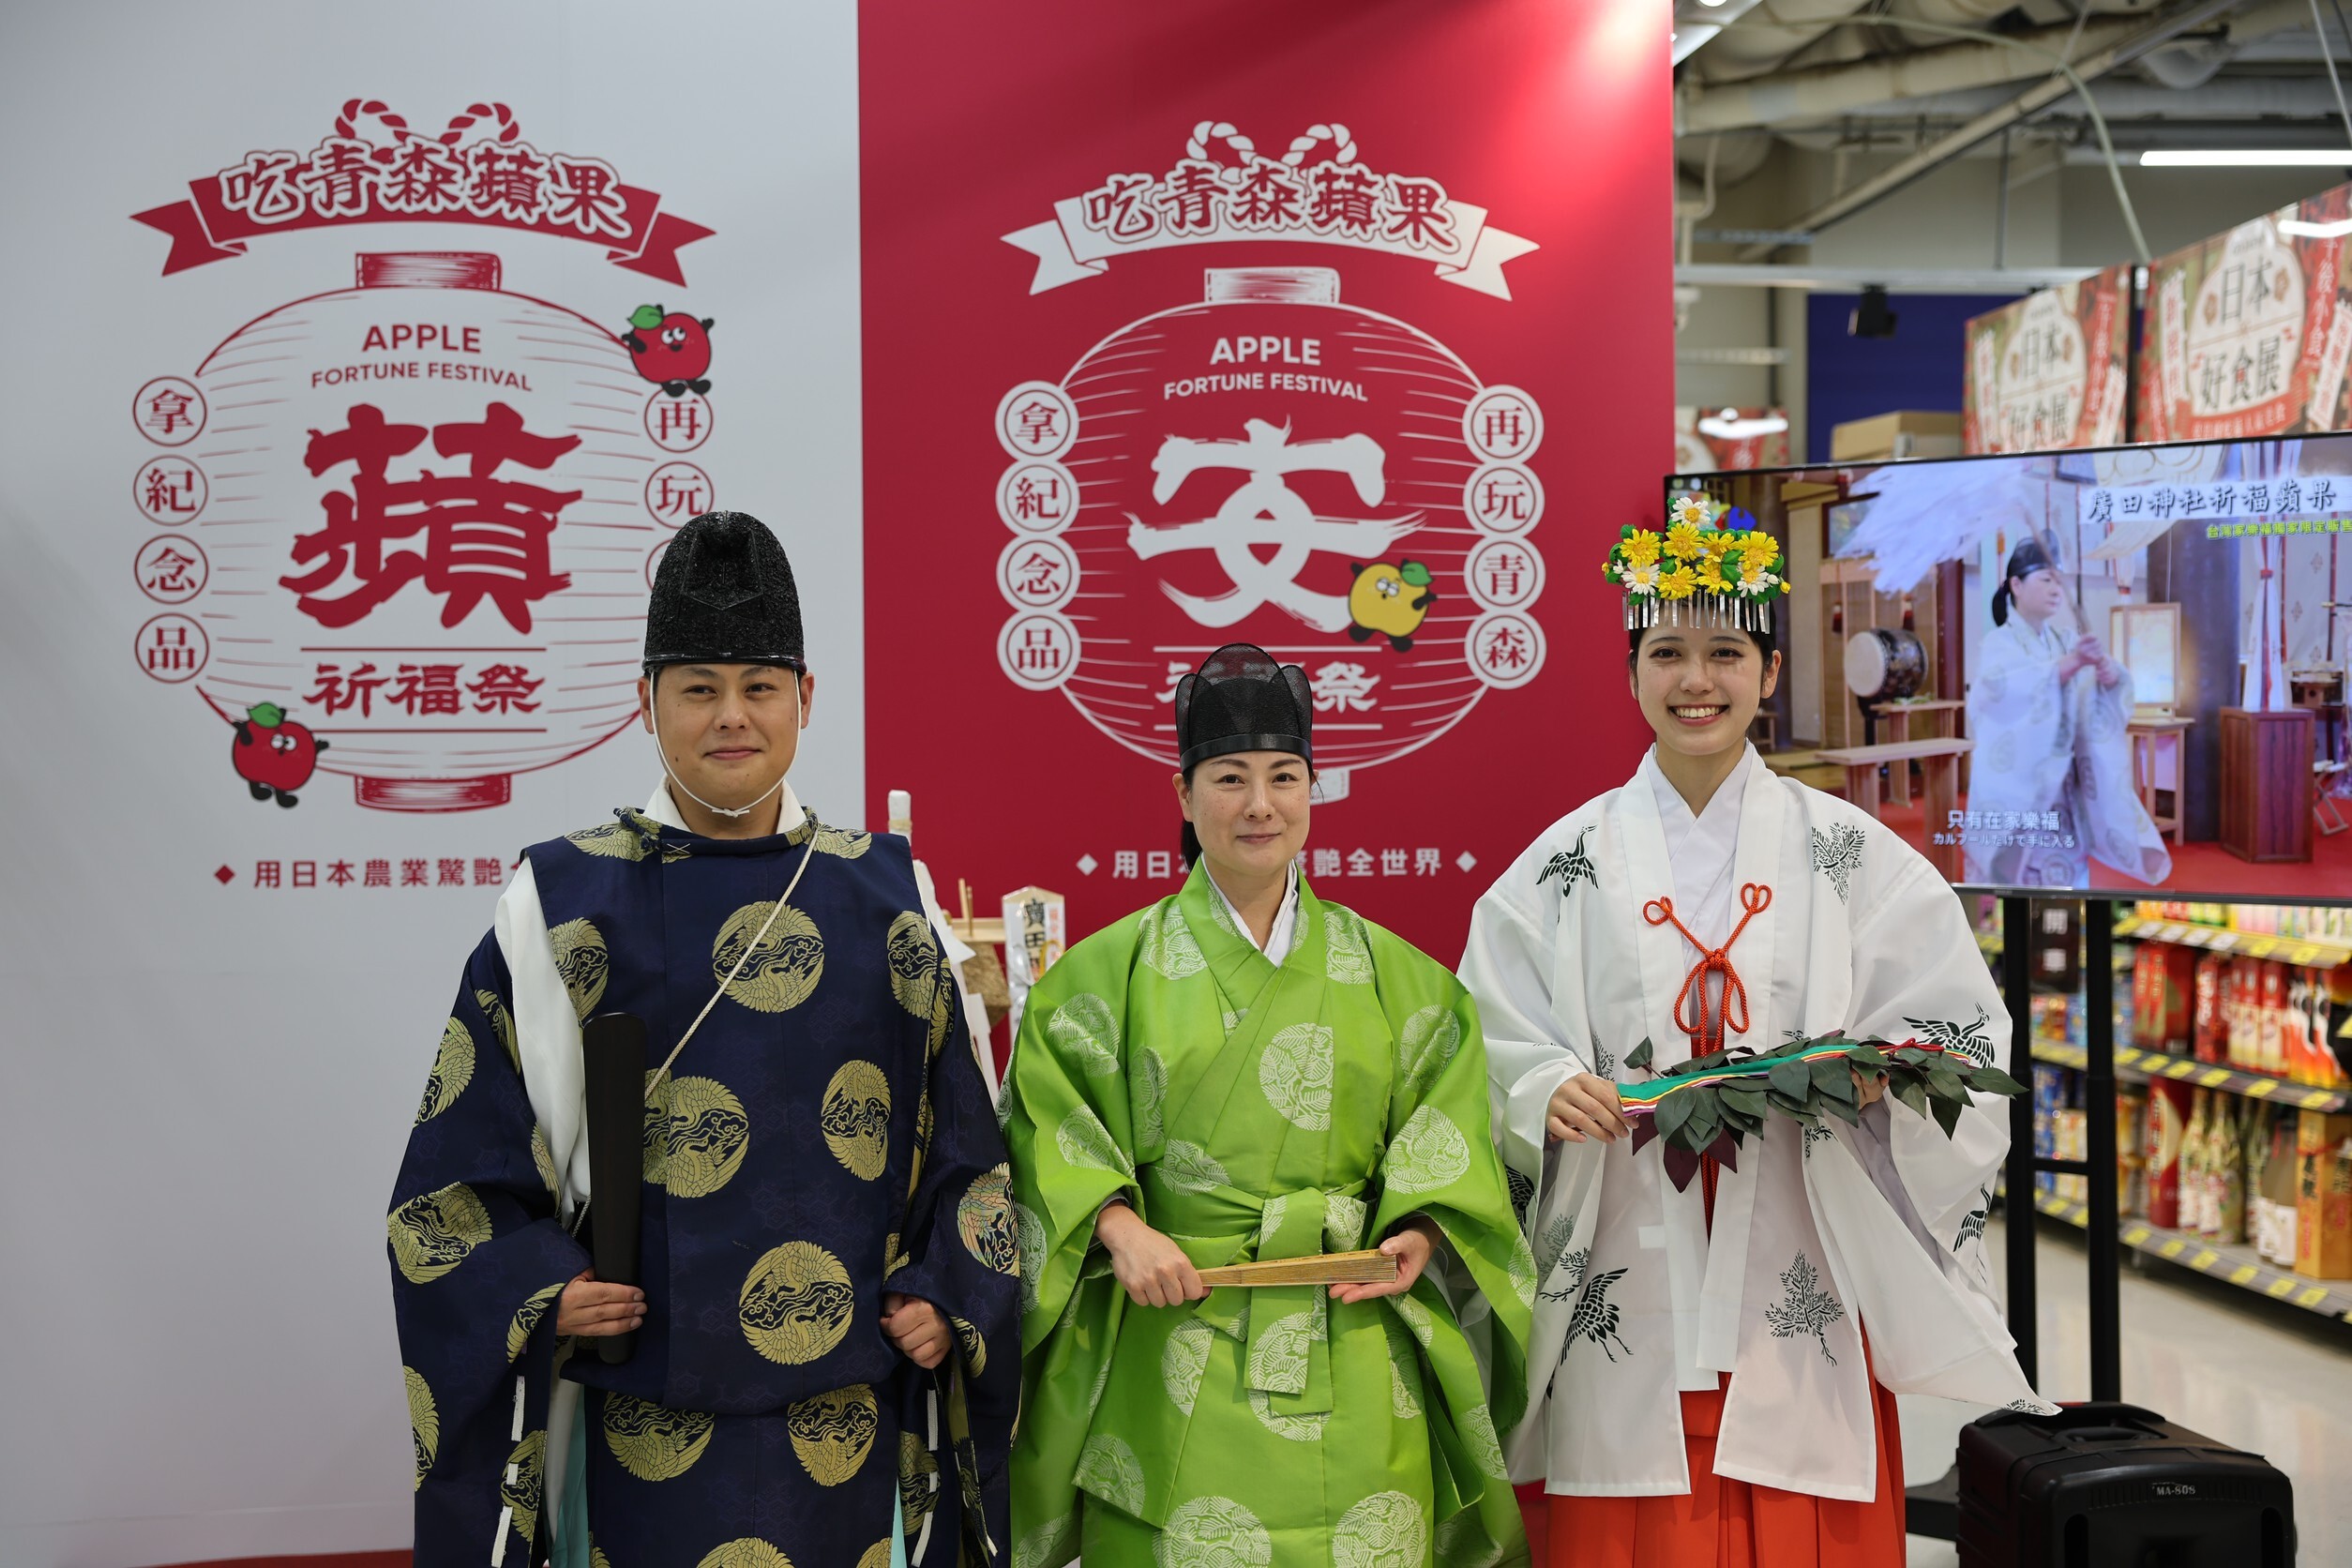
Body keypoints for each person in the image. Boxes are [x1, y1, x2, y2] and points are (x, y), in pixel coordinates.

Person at [387, 511, 1018, 1568]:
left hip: (845, 1429)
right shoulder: (560, 899)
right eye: (698, 687)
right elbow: (449, 1192)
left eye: (760, 686)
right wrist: (543, 1288)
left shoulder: (889, 893)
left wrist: (948, 1289)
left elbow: (971, 1156)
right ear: (646, 702)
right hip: (640, 1423)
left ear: (807, 699)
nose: (732, 716)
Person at [1461, 503, 2050, 1568]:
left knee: (1800, 1502)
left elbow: (1951, 1019)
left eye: (1726, 652)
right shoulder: (1567, 861)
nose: (1698, 679)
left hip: (1800, 1237)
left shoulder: (1850, 855)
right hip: (1629, 1243)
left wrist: (1891, 1077)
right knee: (1629, 1512)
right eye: (1667, 652)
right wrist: (1541, 1084)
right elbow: (1490, 1022)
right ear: (1632, 671)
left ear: (1769, 673)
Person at [1003, 644, 1534, 1568]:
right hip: (1181, 1336)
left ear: (1314, 790)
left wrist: (1421, 1227)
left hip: (1356, 1334)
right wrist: (1123, 1230)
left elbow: (1446, 1140)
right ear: (1184, 794)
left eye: (1285, 777)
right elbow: (1050, 1128)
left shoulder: (1401, 979)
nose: (1260, 805)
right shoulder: (1103, 978)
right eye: (1230, 778)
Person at [1963, 535, 2170, 889]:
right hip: (2023, 789)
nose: (2055, 588)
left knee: (2069, 882)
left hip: (2064, 790)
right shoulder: (1999, 643)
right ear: (2016, 585)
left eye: (2057, 580)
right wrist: (2072, 663)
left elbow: (2090, 699)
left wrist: (2107, 677)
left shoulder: (2062, 640)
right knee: (2022, 883)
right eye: (2045, 579)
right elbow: (2001, 695)